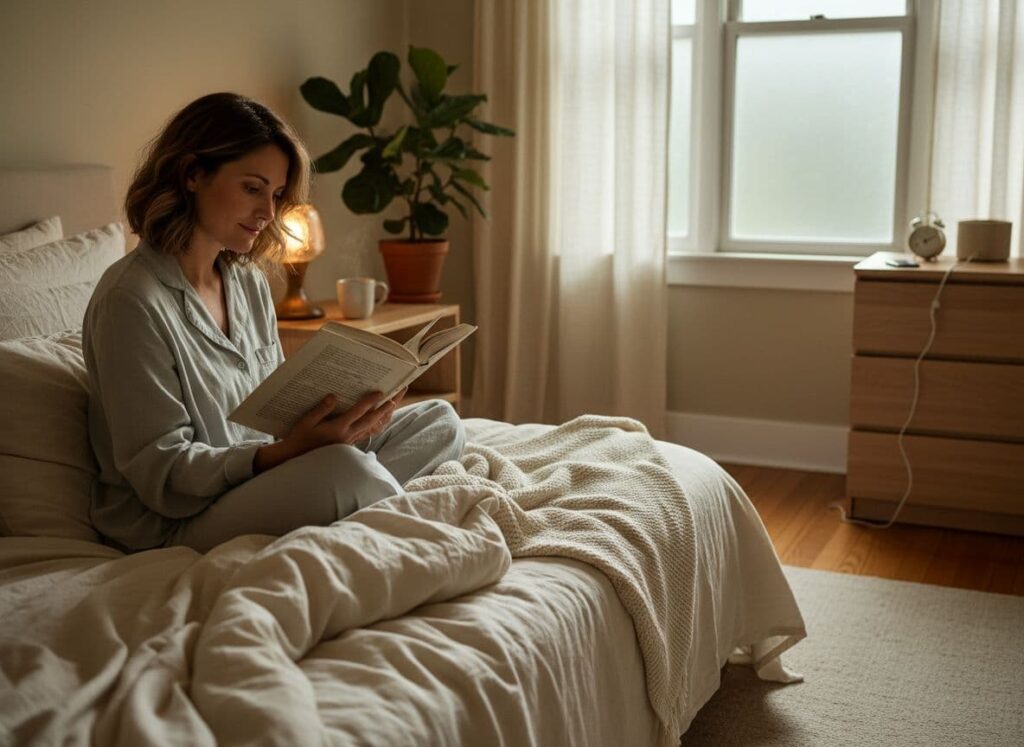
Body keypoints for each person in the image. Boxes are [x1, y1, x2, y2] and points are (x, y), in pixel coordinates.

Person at [83, 92, 465, 553]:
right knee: (347, 473)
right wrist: (290, 454)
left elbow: (270, 411)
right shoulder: (132, 301)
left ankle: (367, 509)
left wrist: (341, 419)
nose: (268, 213)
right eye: (252, 188)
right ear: (192, 174)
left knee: (439, 421)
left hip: (267, 473)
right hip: (178, 518)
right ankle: (410, 536)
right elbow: (162, 473)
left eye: (277, 194)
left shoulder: (246, 280)